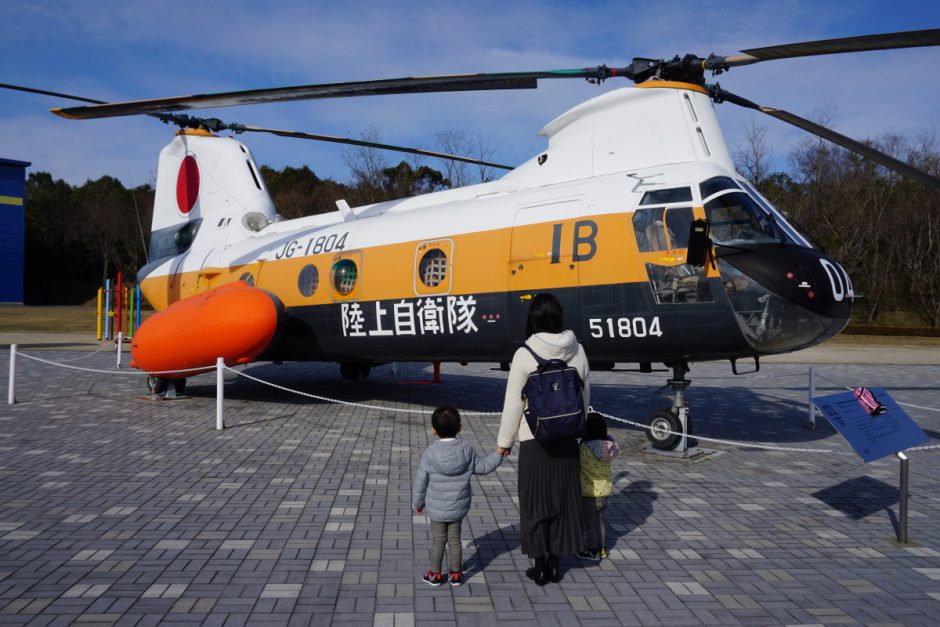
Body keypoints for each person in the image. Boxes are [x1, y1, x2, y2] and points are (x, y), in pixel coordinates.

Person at [497, 293, 590, 585]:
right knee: (563, 503)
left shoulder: (525, 353)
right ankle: (554, 565)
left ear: (533, 319)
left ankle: (538, 567)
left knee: (535, 503)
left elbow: (513, 402)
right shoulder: (578, 349)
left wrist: (505, 441)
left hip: (534, 440)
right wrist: (578, 427)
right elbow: (584, 395)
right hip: (567, 442)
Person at [413, 405, 502, 587]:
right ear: (460, 428)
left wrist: (418, 502)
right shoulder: (467, 450)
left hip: (437, 508)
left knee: (438, 541)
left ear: (433, 430)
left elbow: (420, 481)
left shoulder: (430, 453)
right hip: (458, 507)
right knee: (455, 540)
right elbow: (484, 467)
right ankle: (455, 574)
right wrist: (499, 454)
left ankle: (435, 575)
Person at [578, 412, 619, 561]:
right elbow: (616, 449)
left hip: (589, 493)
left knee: (590, 523)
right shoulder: (608, 446)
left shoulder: (584, 449)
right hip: (605, 491)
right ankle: (602, 549)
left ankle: (593, 550)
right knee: (599, 521)